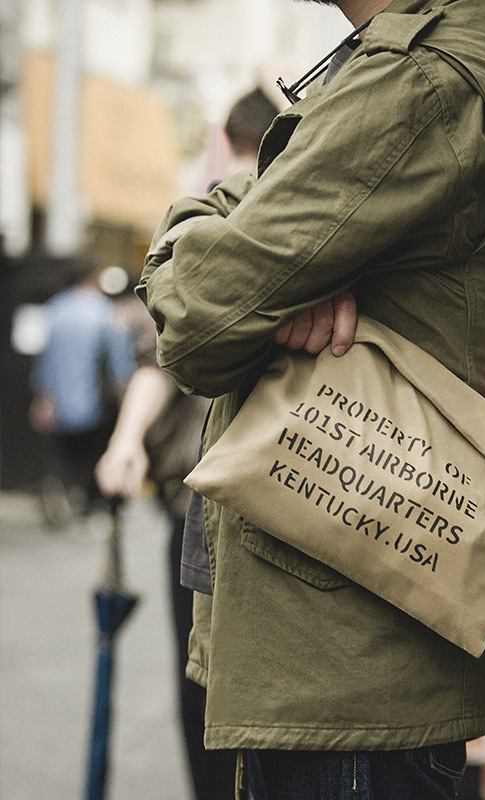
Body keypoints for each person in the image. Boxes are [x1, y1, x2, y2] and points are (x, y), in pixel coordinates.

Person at [136, 0, 485, 796]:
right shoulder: (414, 64)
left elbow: (197, 320)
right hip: (347, 666)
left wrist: (200, 235)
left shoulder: (418, 82)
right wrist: (242, 249)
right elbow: (228, 273)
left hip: (344, 677)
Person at [95, 87, 279, 800]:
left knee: (203, 683)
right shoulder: (301, 214)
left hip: (203, 504)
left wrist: (126, 440)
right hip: (291, 494)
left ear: (225, 144)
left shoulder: (214, 218)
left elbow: (159, 357)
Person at [30, 259, 135, 520]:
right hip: (98, 402)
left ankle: (65, 487)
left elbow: (43, 360)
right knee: (95, 453)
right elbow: (120, 363)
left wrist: (42, 398)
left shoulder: (54, 310)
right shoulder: (105, 311)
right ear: (92, 279)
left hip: (60, 401)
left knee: (66, 453)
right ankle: (89, 502)